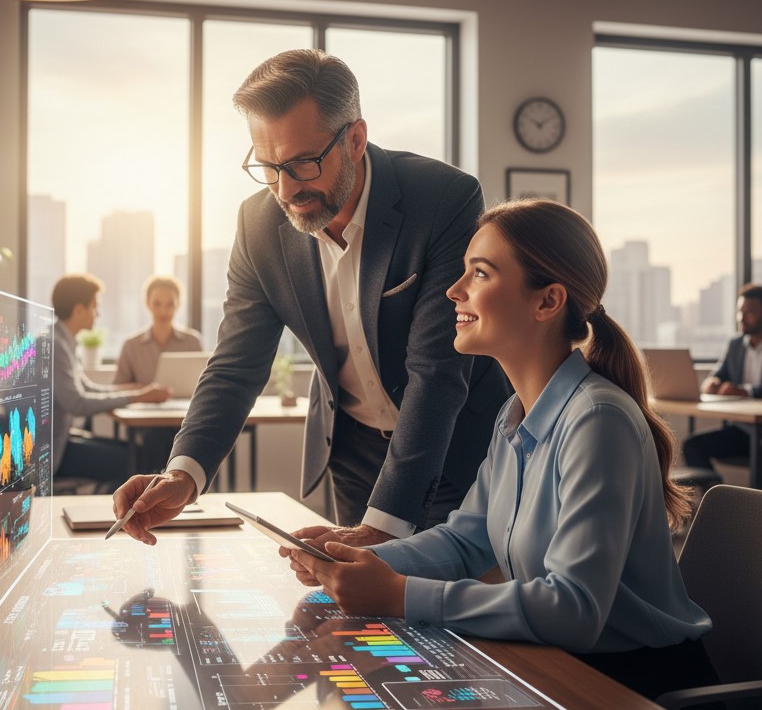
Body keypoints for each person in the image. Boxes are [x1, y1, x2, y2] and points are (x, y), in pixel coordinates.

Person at [286, 199, 719, 702]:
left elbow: (574, 608)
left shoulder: (598, 421)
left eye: (480, 274)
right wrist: (359, 556)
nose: (454, 290)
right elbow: (465, 541)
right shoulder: (515, 413)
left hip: (633, 686)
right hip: (564, 662)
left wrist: (399, 594)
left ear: (547, 302)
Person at [114, 49, 510, 546]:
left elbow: (435, 372)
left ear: (355, 139)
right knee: (366, 617)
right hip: (353, 449)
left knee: (452, 608)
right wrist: (182, 474)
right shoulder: (257, 223)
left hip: (454, 446)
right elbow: (237, 362)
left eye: (303, 163)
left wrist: (381, 527)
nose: (285, 190)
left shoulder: (442, 199)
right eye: (268, 167)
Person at [683, 283, 762, 492]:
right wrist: (711, 382)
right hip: (743, 431)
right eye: (739, 311)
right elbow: (717, 375)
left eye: (749, 311)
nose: (742, 317)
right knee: (692, 445)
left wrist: (748, 391)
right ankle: (720, 506)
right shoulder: (735, 345)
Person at [51, 274, 171, 491]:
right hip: (52, 452)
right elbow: (77, 403)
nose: (98, 313)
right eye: (95, 306)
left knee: (136, 453)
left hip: (62, 440)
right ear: (79, 310)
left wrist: (134, 389)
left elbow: (87, 388)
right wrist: (137, 396)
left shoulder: (62, 342)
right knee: (135, 461)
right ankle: (118, 515)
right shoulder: (56, 346)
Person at [115, 274, 203, 471]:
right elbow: (117, 388)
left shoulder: (192, 341)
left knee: (196, 438)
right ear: (147, 304)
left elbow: (202, 384)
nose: (163, 310)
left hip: (184, 417)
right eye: (157, 303)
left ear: (178, 305)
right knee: (158, 437)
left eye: (170, 304)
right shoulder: (132, 345)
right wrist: (146, 392)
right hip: (147, 421)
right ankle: (157, 492)